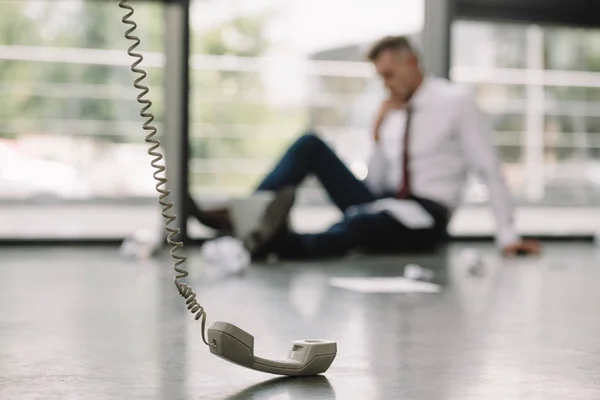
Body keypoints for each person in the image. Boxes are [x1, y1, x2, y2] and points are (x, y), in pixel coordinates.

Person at [195, 35, 541, 260]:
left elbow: (488, 168)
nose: (384, 84)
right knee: (310, 145)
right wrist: (377, 133)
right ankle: (250, 215)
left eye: (389, 75)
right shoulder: (390, 111)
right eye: (380, 77)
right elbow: (376, 184)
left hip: (425, 217)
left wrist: (507, 235)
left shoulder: (456, 101)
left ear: (412, 63)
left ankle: (280, 245)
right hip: (384, 201)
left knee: (358, 226)